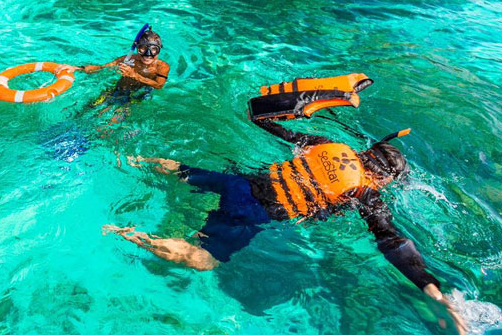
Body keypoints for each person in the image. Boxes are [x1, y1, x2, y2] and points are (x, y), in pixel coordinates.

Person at [103, 117, 467, 335]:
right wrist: (434, 292)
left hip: (241, 183)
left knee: (183, 170)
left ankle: (129, 158)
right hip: (254, 212)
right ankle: (127, 233)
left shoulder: (330, 145)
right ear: (384, 178)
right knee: (204, 259)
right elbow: (392, 243)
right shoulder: (365, 193)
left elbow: (264, 120)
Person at [59, 28, 170, 118]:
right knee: (87, 110)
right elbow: (102, 68)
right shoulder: (128, 59)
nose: (148, 54)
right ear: (137, 48)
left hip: (138, 96)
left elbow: (159, 85)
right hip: (117, 90)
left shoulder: (162, 67)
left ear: (159, 49)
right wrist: (77, 68)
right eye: (143, 48)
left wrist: (134, 75)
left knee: (111, 121)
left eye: (153, 49)